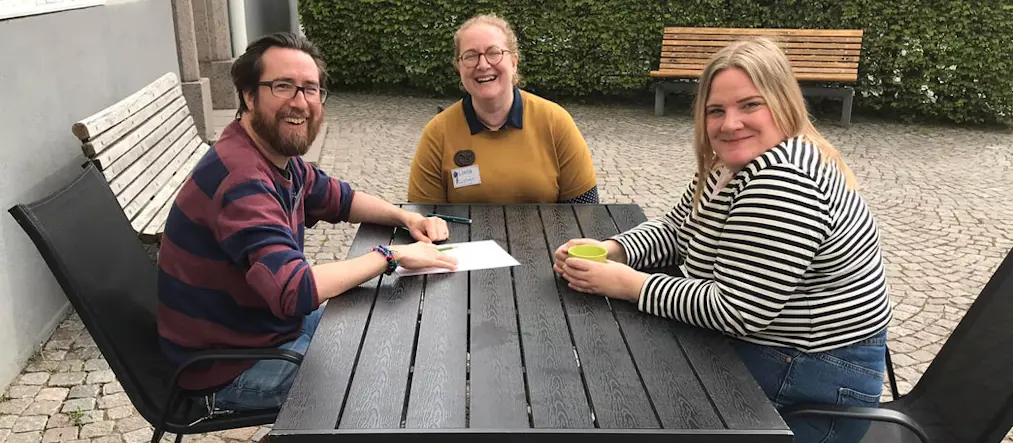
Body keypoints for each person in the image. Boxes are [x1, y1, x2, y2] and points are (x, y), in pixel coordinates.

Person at [552, 37, 892, 443]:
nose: (730, 123)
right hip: (776, 346)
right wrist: (613, 248)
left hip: (815, 375)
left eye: (750, 105)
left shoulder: (783, 183)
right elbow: (677, 229)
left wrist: (627, 283)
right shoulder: (729, 164)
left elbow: (737, 311)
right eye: (717, 110)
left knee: (638, 388)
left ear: (783, 103)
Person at [156, 32, 458, 413]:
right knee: (385, 378)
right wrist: (390, 255)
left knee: (386, 318)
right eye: (283, 86)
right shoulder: (241, 178)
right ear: (249, 96)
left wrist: (407, 217)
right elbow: (294, 290)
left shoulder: (275, 158)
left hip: (264, 333)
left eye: (310, 89)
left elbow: (341, 199)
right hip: (229, 368)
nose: (300, 102)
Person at [407, 13, 599, 204]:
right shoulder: (437, 133)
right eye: (471, 56)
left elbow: (586, 211)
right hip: (463, 236)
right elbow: (424, 219)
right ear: (459, 67)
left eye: (494, 53)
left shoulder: (555, 122)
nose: (482, 65)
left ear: (514, 62)